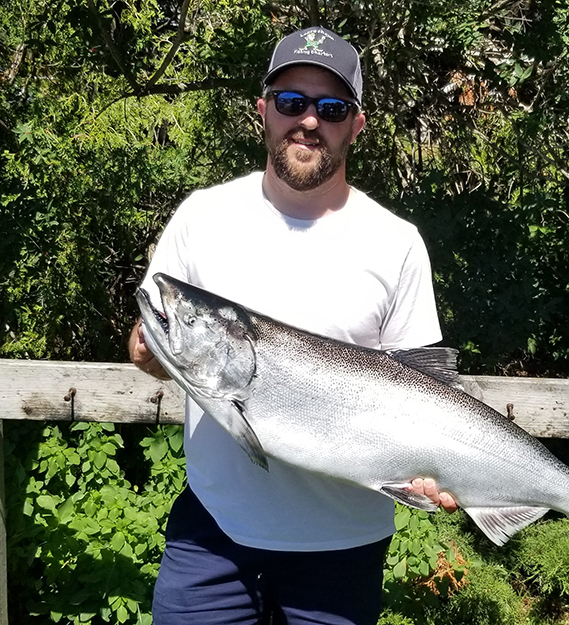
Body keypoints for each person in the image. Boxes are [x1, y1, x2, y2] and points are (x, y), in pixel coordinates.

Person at [129, 26, 457, 625]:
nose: (308, 120)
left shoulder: (397, 243)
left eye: (331, 108)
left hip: (344, 544)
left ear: (355, 124)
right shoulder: (202, 216)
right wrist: (152, 351)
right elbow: (149, 333)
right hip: (213, 530)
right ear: (264, 110)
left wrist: (436, 470)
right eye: (291, 102)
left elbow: (427, 390)